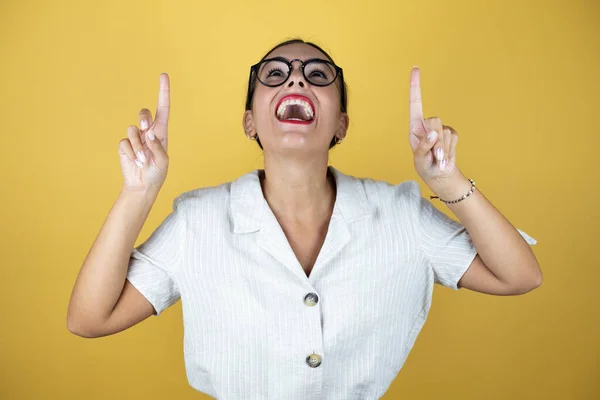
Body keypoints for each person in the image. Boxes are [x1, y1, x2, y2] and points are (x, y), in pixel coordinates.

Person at [67, 38, 542, 399]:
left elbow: (519, 275)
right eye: (274, 74)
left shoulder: (402, 215)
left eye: (318, 75)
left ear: (341, 123)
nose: (296, 81)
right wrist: (138, 192)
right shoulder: (198, 222)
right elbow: (89, 318)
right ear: (250, 120)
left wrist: (449, 183)